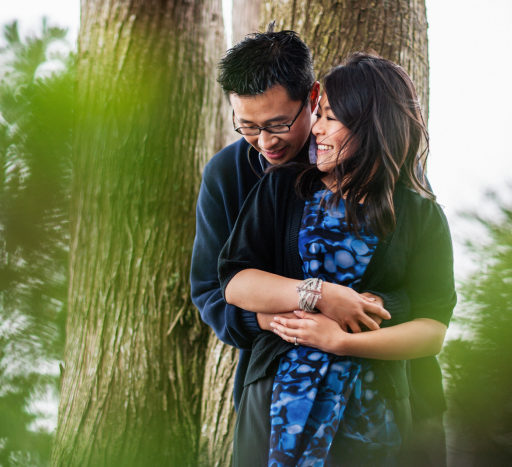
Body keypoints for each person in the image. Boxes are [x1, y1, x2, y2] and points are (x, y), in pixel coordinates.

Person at [191, 26, 449, 465]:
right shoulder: (232, 177)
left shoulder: (400, 186)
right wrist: (312, 304)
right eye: (247, 127)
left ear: (311, 100)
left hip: (389, 388)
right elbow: (216, 290)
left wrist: (368, 310)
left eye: (277, 124)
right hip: (282, 384)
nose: (265, 142)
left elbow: (424, 296)